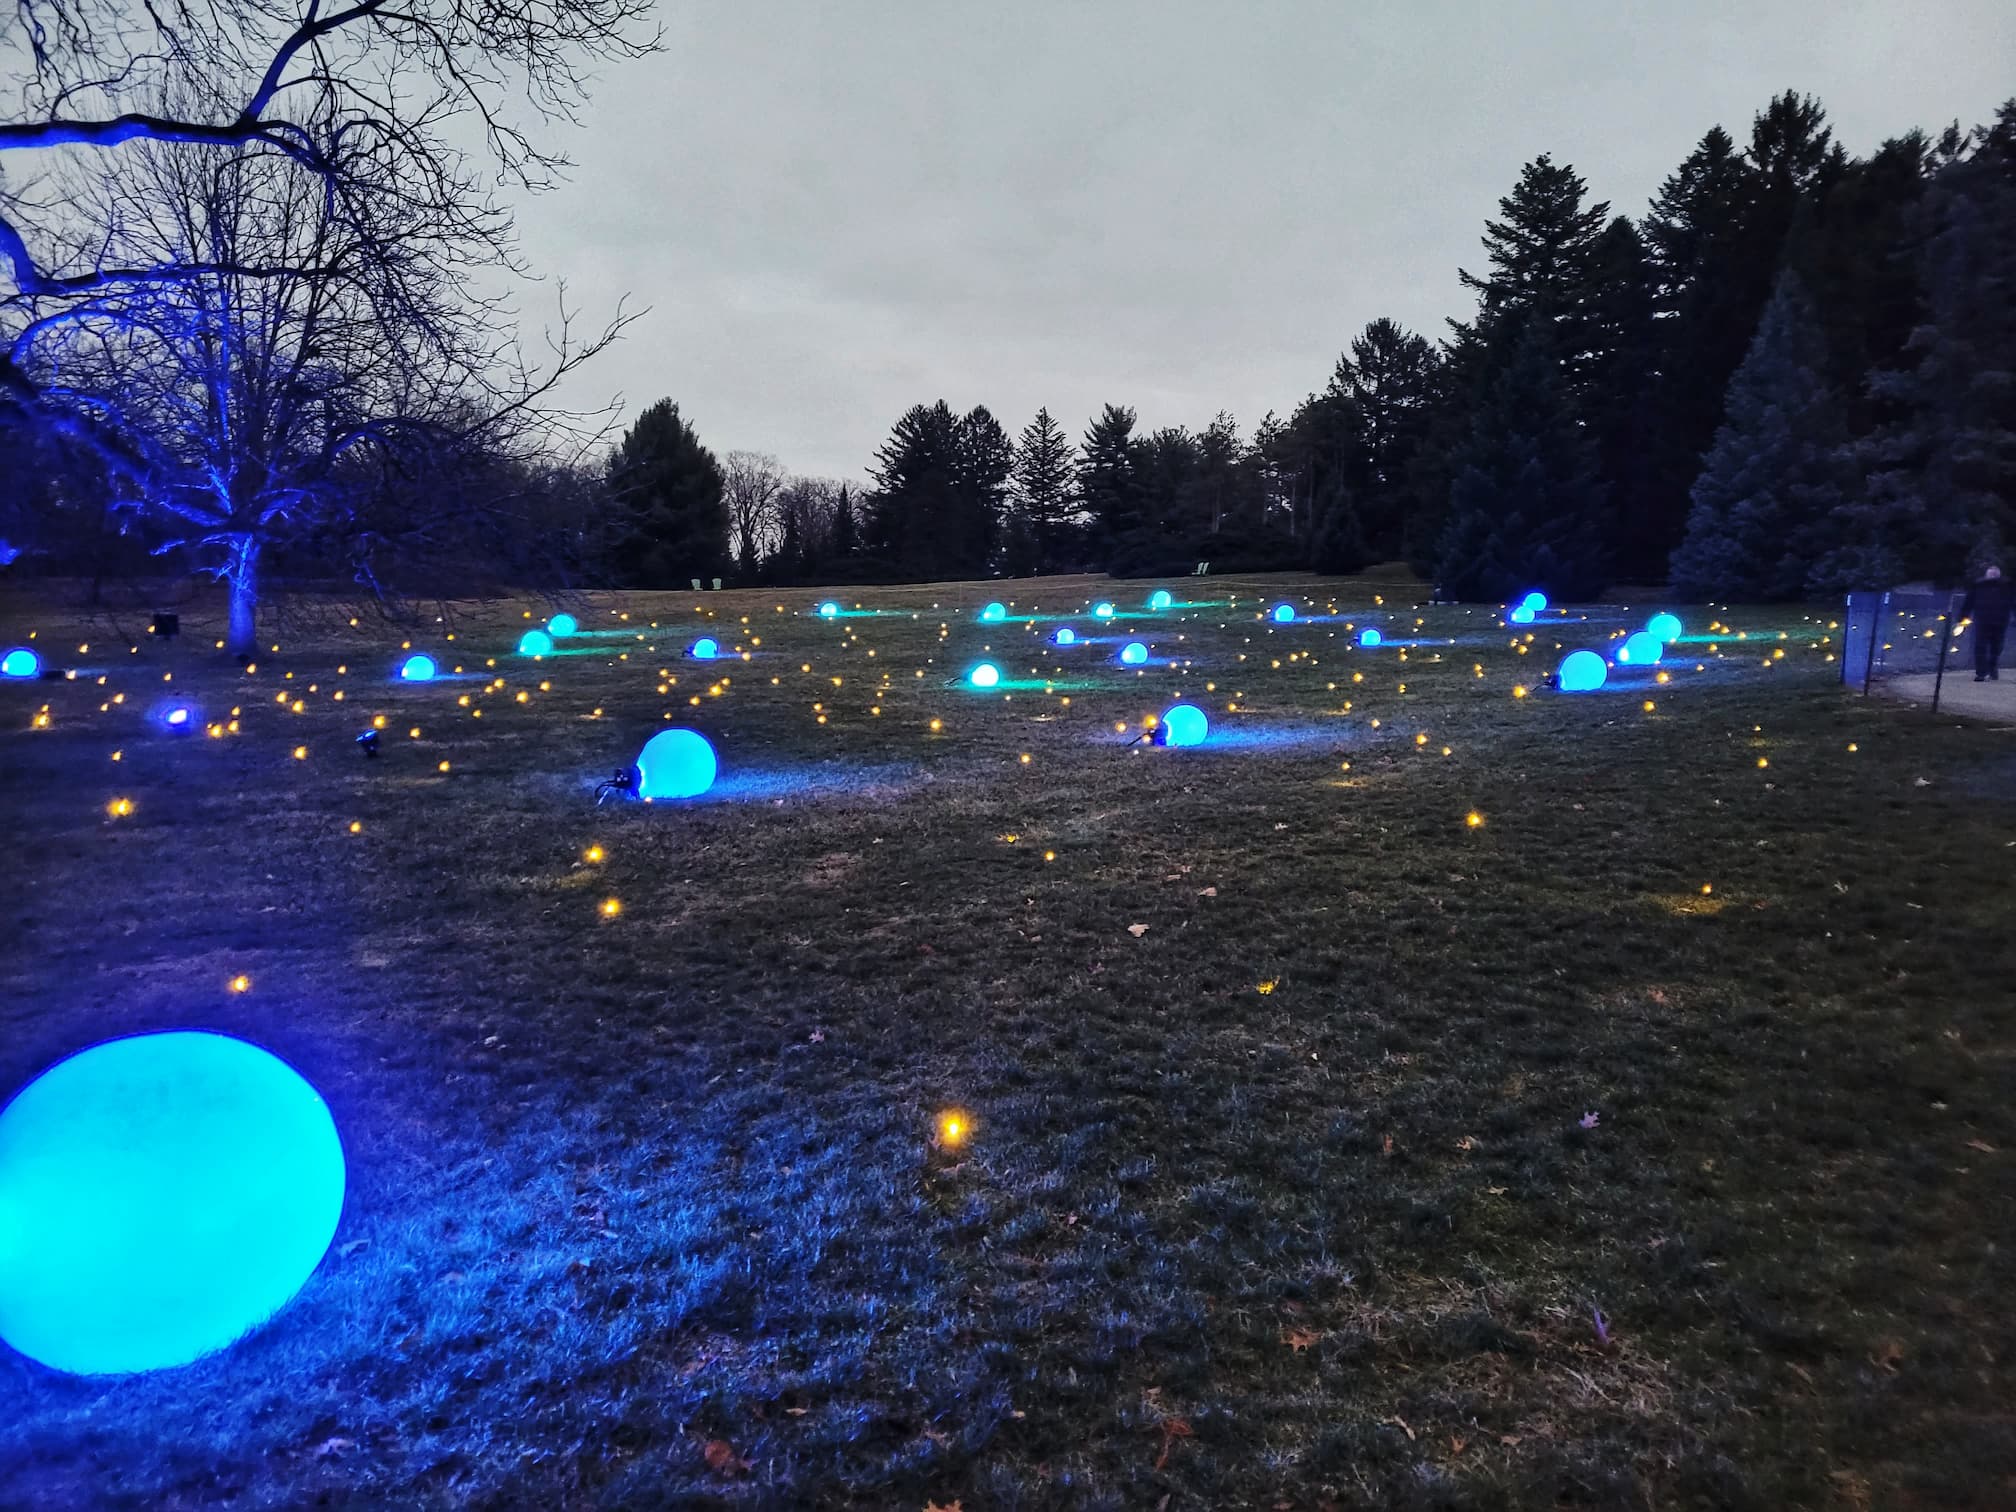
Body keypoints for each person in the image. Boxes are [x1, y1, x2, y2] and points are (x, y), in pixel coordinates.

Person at [1959, 565, 2014, 681]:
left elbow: (2013, 602)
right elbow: (1969, 601)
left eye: (1994, 574)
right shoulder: (1978, 586)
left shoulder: (2007, 586)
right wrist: (1963, 616)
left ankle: (1992, 668)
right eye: (1991, 574)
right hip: (1982, 621)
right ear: (1986, 575)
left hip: (2000, 621)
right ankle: (1981, 673)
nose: (1992, 576)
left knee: (1996, 647)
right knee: (1980, 646)